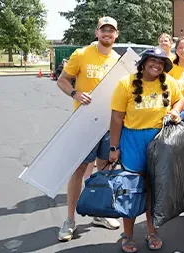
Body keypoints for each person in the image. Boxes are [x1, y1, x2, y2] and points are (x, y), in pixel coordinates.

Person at [109, 47, 184, 252]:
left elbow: (179, 98)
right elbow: (116, 118)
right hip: (133, 140)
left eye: (161, 62)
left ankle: (152, 232)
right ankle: (128, 235)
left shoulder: (169, 81)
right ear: (143, 62)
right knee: (130, 190)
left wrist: (176, 110)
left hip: (159, 140)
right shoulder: (126, 83)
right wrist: (114, 147)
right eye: (153, 61)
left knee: (154, 190)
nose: (157, 65)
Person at [56, 16, 121, 242]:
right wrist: (74, 93)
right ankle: (70, 219)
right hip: (83, 123)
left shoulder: (117, 59)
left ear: (116, 35)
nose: (107, 34)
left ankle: (98, 213)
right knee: (79, 170)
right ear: (97, 33)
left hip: (108, 124)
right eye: (103, 30)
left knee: (103, 169)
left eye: (111, 31)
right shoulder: (82, 54)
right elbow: (62, 80)